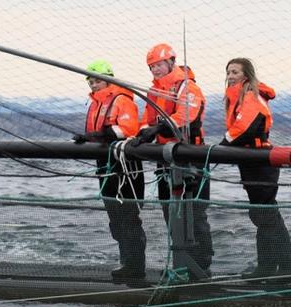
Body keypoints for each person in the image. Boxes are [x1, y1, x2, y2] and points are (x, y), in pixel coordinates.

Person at [133, 43, 213, 278]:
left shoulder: (188, 88)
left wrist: (156, 128)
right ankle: (181, 262)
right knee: (170, 210)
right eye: (151, 66)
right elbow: (147, 120)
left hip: (191, 157)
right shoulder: (153, 91)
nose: (155, 70)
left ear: (171, 61)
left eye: (158, 65)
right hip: (165, 159)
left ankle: (201, 266)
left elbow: (185, 116)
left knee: (195, 213)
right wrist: (141, 134)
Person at [73, 59, 147, 284]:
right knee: (115, 216)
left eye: (97, 81)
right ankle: (127, 261)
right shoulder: (96, 103)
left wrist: (96, 136)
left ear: (108, 79)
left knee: (128, 215)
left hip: (125, 165)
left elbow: (127, 129)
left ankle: (135, 265)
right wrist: (92, 137)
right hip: (104, 164)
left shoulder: (121, 99)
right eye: (91, 81)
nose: (94, 85)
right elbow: (100, 131)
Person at [220, 57, 291, 278]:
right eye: (228, 72)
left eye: (235, 72)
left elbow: (246, 127)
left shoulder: (251, 95)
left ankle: (282, 266)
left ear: (246, 75)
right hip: (251, 162)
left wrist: (222, 146)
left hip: (260, 163)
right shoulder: (239, 97)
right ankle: (269, 267)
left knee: (266, 214)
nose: (230, 76)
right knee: (263, 214)